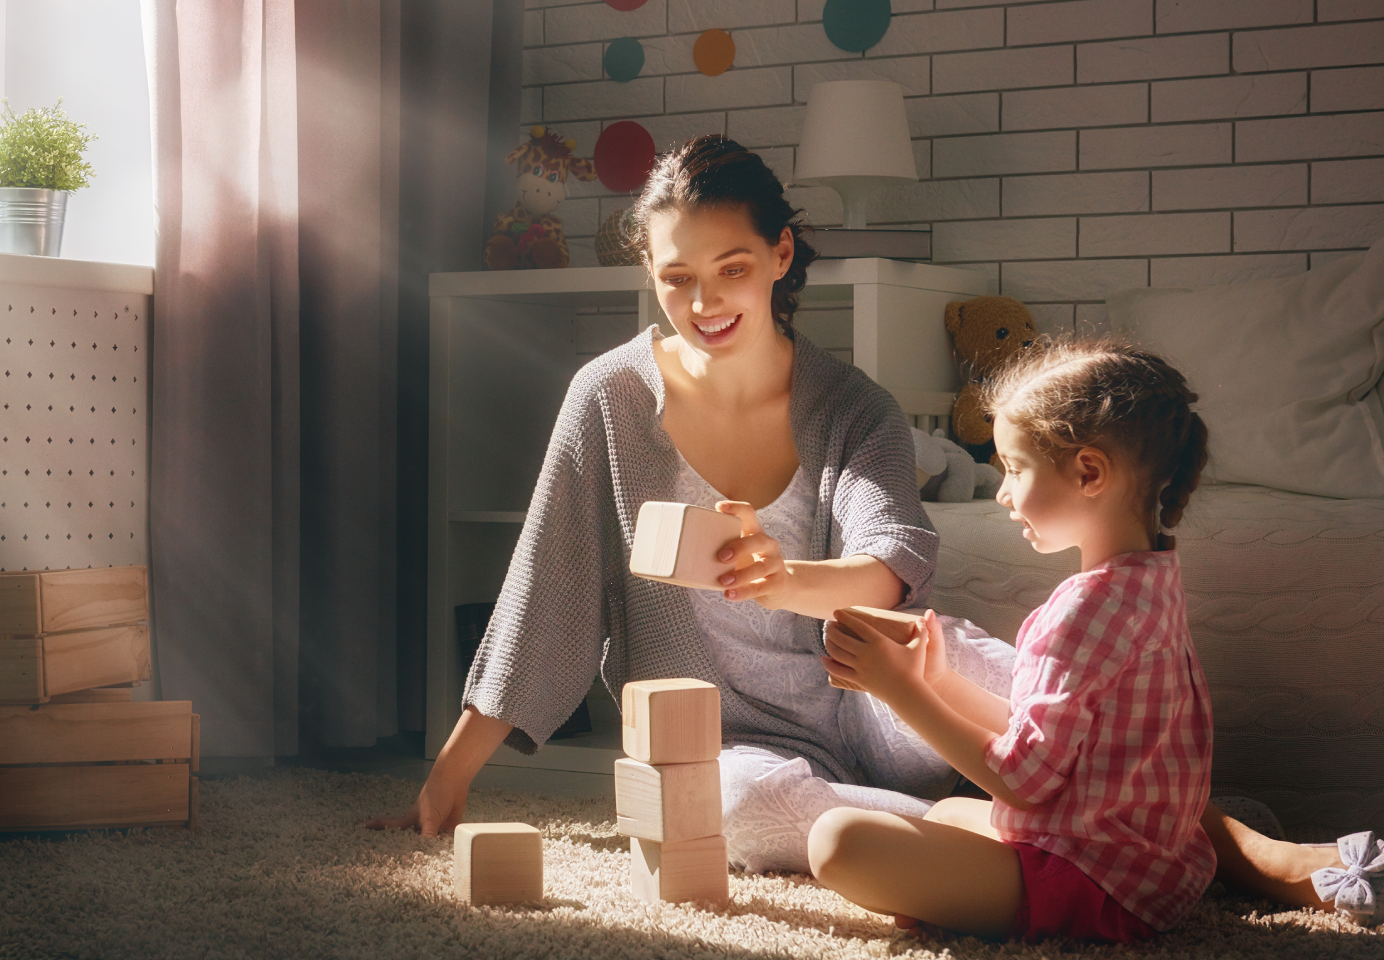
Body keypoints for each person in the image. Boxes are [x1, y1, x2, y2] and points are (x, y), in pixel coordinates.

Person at [368, 134, 1019, 871]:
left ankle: (1125, 794)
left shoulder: (853, 406)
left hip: (877, 702)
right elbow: (547, 594)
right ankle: (997, 833)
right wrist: (447, 780)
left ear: (780, 255)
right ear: (650, 271)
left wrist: (782, 580)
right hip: (731, 742)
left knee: (958, 647)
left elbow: (890, 564)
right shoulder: (609, 397)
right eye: (678, 277)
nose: (704, 303)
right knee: (730, 810)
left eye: (731, 269)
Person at [808, 339, 1376, 940]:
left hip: (1094, 881)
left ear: (1089, 471)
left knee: (836, 841)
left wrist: (900, 692)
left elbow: (1022, 782)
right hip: (1148, 865)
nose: (1002, 493)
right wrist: (939, 680)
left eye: (1015, 469)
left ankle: (982, 904)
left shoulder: (1081, 611)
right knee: (947, 813)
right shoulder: (1151, 577)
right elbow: (1052, 744)